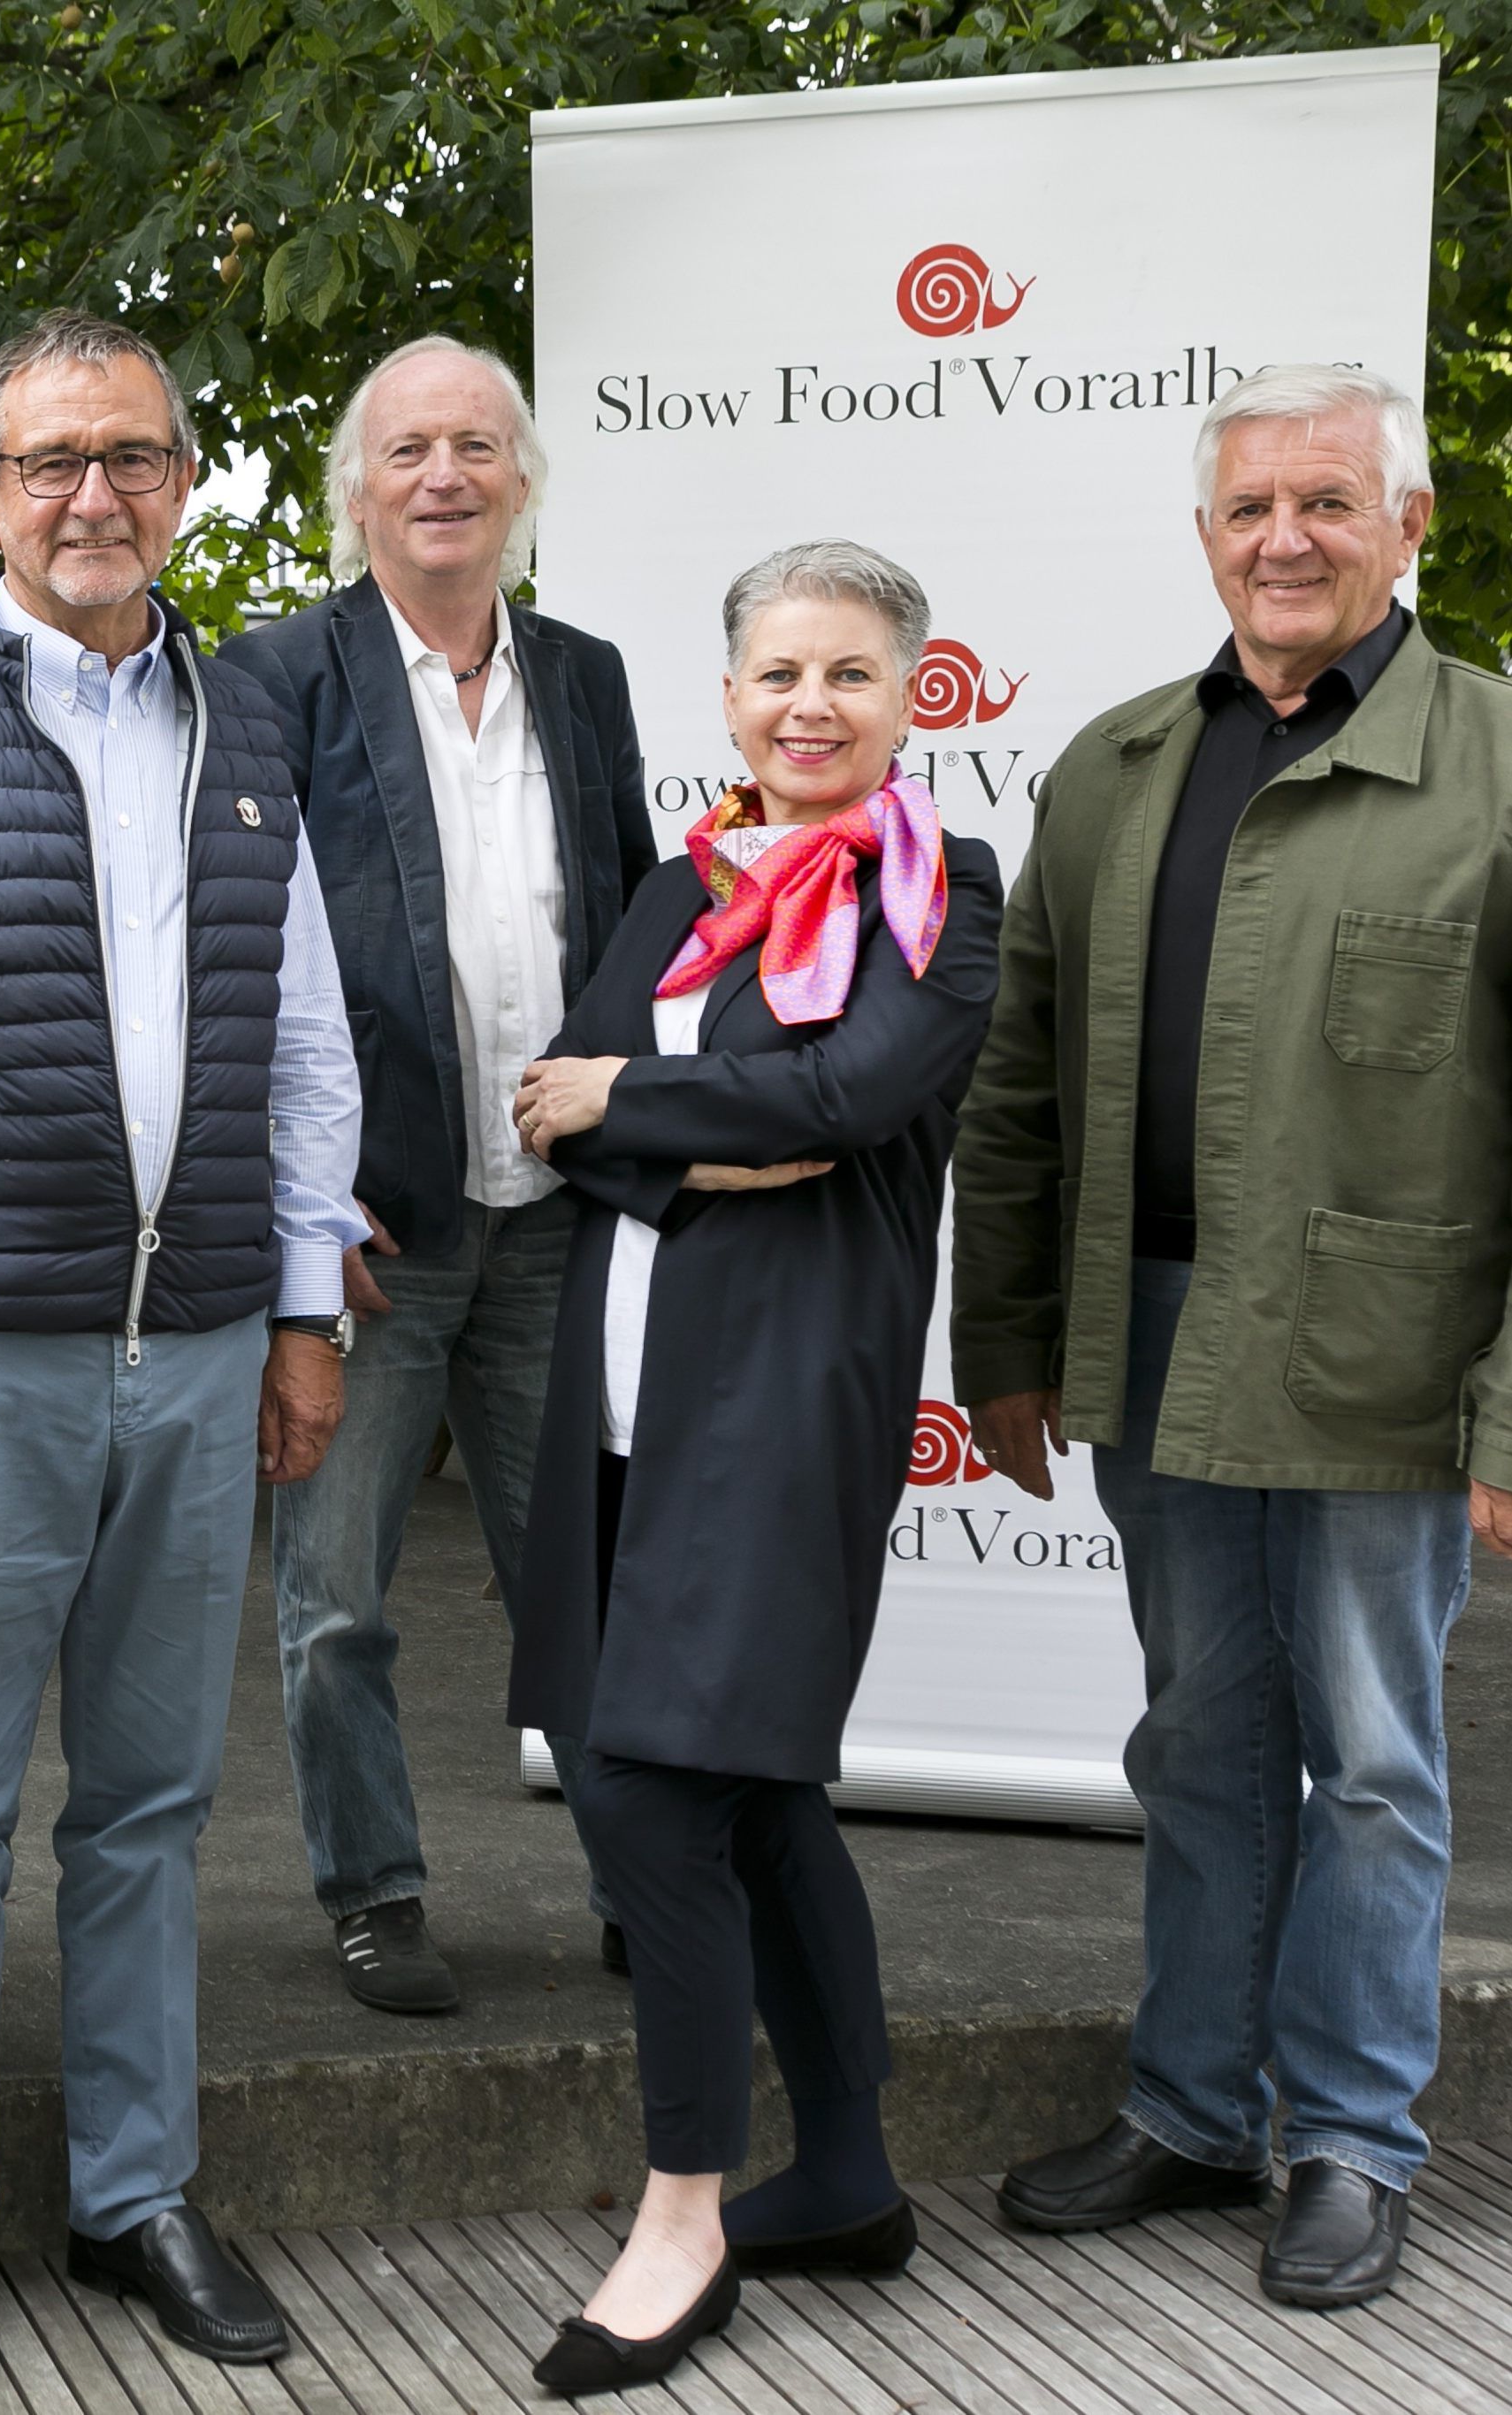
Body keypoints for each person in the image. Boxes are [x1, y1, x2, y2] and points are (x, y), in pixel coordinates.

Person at [0, 310, 364, 2393]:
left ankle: (134, 2196)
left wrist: (299, 1309)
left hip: (197, 1351)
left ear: (185, 481)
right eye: (50, 463)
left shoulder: (255, 723)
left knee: (157, 1800)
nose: (92, 495)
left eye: (132, 457)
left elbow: (304, 1049)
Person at [958, 363, 1512, 2312]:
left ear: (1407, 525)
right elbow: (1020, 1089)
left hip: (1389, 1350)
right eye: (1252, 508)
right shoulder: (1110, 768)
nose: (1287, 539)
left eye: (1329, 505)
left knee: (1371, 1760)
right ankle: (1196, 2112)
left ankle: (1353, 2144)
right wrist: (1006, 1340)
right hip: (1157, 1341)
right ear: (1207, 538)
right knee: (1198, 1738)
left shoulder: (1500, 765)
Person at [505, 541, 1001, 2396]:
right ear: (729, 700)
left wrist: (648, 1103)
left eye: (850, 676)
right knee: (762, 1788)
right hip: (624, 1395)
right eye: (779, 674)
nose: (810, 706)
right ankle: (855, 2175)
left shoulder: (948, 888)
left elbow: (848, 1097)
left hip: (788, 1401)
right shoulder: (680, 885)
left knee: (647, 1796)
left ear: (908, 700)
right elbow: (563, 1103)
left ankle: (685, 2207)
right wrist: (695, 1133)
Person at [223, 334, 653, 2014]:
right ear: (357, 488)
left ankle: (645, 1882)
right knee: (332, 1597)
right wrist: (292, 1206)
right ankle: (371, 1889)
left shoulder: (586, 674)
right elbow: (240, 964)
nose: (442, 477)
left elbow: (626, 913)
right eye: (407, 450)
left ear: (522, 482)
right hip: (370, 1229)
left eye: (475, 446)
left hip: (556, 1219)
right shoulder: (279, 681)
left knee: (594, 1582)